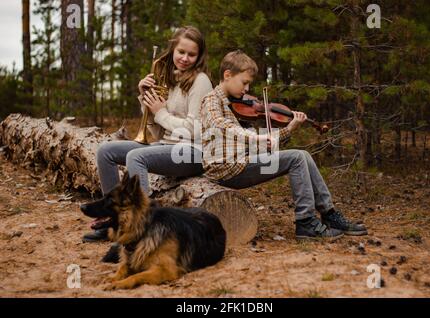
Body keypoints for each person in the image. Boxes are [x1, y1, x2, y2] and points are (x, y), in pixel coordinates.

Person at [200, 50, 367, 239]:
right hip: (224, 170)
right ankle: (305, 222)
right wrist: (256, 137)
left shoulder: (232, 104)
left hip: (239, 163)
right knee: (296, 158)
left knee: (302, 155)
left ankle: (329, 214)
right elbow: (221, 125)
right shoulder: (211, 101)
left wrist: (290, 127)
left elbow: (257, 145)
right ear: (227, 75)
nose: (246, 89)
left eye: (249, 84)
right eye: (244, 82)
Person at [83, 26, 213, 244]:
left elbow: (193, 131)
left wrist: (160, 112)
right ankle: (112, 220)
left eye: (192, 54)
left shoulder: (200, 81)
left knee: (136, 157)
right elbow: (158, 132)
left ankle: (144, 228)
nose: (185, 58)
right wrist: (146, 101)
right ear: (173, 49)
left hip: (193, 152)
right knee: (106, 151)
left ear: (199, 56)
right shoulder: (169, 79)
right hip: (167, 146)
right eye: (181, 52)